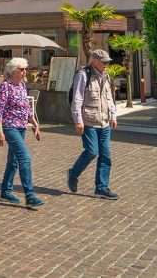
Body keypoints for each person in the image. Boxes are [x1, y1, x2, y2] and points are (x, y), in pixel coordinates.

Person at [67, 49, 119, 199]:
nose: (106, 64)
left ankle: (101, 188)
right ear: (94, 61)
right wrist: (78, 121)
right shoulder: (83, 75)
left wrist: (113, 116)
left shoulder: (107, 76)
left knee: (106, 155)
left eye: (108, 62)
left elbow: (110, 98)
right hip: (88, 121)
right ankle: (73, 173)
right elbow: (77, 99)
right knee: (91, 151)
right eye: (104, 62)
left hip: (104, 122)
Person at [0, 58, 43, 207]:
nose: (24, 72)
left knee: (13, 161)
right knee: (25, 158)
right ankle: (30, 194)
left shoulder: (22, 85)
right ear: (13, 71)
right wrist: (0, 132)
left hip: (22, 127)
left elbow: (26, 107)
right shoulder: (5, 87)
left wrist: (35, 124)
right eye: (21, 69)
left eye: (25, 69)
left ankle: (5, 191)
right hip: (10, 127)